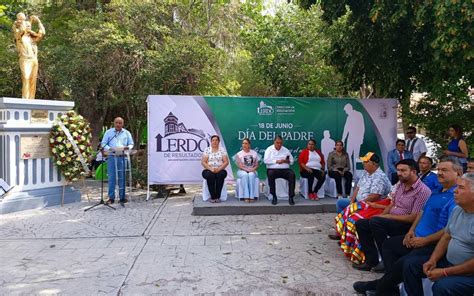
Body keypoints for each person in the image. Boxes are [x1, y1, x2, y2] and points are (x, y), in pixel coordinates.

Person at [352, 157, 462, 295]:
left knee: (406, 263)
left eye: (444, 170)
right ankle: (387, 285)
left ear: (458, 173)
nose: (439, 173)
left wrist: (424, 240)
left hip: (430, 243)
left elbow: (448, 230)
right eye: (438, 169)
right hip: (415, 235)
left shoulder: (456, 196)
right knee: (388, 244)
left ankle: (380, 286)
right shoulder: (437, 191)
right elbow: (422, 213)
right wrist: (411, 231)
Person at [353, 159, 431, 272]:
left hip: (405, 224)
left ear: (414, 172)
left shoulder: (423, 191)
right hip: (391, 220)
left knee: (376, 223)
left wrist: (386, 217)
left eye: (403, 170)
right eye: (398, 170)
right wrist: (382, 215)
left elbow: (413, 217)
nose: (399, 173)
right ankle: (371, 261)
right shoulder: (401, 185)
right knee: (362, 223)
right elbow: (392, 204)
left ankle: (386, 261)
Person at [403, 172, 474, 296]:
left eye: (461, 188)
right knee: (410, 265)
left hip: (469, 272)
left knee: (443, 286)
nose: (455, 191)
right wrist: (433, 260)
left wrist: (444, 272)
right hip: (450, 262)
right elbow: (446, 237)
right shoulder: (458, 210)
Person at [328, 152, 391, 241]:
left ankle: (349, 236)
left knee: (351, 210)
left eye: (366, 161)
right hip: (360, 202)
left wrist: (357, 204)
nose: (363, 163)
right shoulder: (366, 173)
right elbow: (357, 188)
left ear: (374, 163)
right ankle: (342, 231)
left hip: (371, 205)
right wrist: (351, 202)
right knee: (341, 203)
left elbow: (374, 196)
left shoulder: (379, 176)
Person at [101, 117, 134, 205]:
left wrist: (128, 148)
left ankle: (122, 197)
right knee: (112, 178)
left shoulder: (127, 133)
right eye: (116, 122)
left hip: (123, 157)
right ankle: (111, 198)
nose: (118, 124)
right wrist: (110, 148)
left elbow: (131, 143)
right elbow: (103, 143)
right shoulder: (109, 132)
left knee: (122, 177)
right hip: (112, 157)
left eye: (120, 123)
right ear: (114, 123)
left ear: (122, 124)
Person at [12, 13, 45, 100]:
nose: (29, 27)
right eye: (27, 25)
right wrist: (21, 21)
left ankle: (31, 99)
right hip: (25, 59)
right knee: (26, 77)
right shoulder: (19, 37)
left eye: (30, 26)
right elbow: (19, 29)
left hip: (34, 60)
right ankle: (25, 99)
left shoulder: (33, 38)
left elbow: (43, 33)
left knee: (33, 80)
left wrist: (38, 21)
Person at [264, 135, 296, 205]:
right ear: (274, 142)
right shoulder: (269, 149)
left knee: (292, 174)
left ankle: (291, 196)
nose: (279, 144)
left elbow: (292, 161)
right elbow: (265, 160)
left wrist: (285, 161)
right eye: (277, 143)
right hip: (273, 169)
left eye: (281, 143)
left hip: (284, 170)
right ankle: (274, 196)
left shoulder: (285, 150)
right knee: (270, 174)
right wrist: (276, 161)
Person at [201, 135, 229, 203]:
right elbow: (203, 162)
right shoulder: (207, 150)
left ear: (219, 141)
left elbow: (226, 162)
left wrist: (218, 169)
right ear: (211, 141)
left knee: (220, 175)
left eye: (216, 140)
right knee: (210, 176)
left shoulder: (222, 150)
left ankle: (218, 196)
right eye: (213, 140)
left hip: (220, 169)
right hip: (209, 169)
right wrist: (211, 169)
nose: (215, 142)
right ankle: (213, 197)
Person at [341, 104, 365, 174]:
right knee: (348, 155)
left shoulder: (358, 114)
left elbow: (362, 127)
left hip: (357, 138)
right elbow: (346, 129)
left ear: (349, 109)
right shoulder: (349, 117)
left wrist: (361, 138)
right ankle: (351, 171)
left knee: (356, 156)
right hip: (350, 138)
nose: (346, 112)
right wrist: (343, 139)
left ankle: (356, 173)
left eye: (346, 111)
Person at [235, 138, 259, 202]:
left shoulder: (254, 153)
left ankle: (251, 196)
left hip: (252, 170)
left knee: (251, 175)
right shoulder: (238, 154)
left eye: (246, 143)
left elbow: (257, 165)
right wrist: (247, 170)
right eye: (243, 143)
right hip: (242, 171)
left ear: (249, 145)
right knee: (245, 175)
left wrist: (253, 169)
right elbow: (239, 166)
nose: (244, 145)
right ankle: (246, 196)